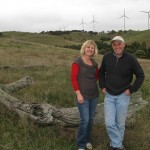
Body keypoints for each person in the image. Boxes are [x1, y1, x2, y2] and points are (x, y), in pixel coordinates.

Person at [99, 36, 145, 150]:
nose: (117, 46)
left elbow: (140, 75)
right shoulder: (107, 57)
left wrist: (131, 89)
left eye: (119, 44)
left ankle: (115, 145)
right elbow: (101, 72)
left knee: (120, 123)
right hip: (109, 95)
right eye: (115, 44)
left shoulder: (131, 58)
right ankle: (118, 145)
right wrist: (102, 86)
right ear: (112, 46)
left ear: (124, 45)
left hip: (123, 96)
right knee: (109, 123)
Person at [71, 40, 99, 150]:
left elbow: (97, 77)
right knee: (85, 120)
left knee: (90, 119)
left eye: (92, 48)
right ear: (84, 48)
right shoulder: (77, 62)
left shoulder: (94, 64)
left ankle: (88, 140)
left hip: (94, 96)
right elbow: (73, 79)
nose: (90, 49)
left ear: (94, 50)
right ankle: (81, 145)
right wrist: (78, 94)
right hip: (82, 96)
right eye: (88, 47)